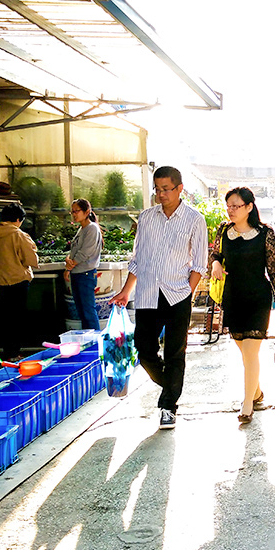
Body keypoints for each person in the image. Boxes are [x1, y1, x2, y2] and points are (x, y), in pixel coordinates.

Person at [110, 166, 208, 430]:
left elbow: (200, 263)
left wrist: (187, 290)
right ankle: (172, 384)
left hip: (177, 295)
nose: (161, 194)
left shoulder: (194, 219)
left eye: (166, 189)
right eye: (158, 189)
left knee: (175, 352)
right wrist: (125, 292)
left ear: (179, 189)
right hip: (147, 295)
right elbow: (138, 260)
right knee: (144, 351)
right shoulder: (146, 218)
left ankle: (168, 406)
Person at [209, 187, 275, 423]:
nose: (231, 210)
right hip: (232, 297)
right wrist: (215, 264)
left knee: (251, 352)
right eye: (229, 206)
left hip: (257, 298)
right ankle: (257, 391)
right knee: (245, 353)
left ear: (249, 207)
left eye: (236, 206)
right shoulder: (224, 230)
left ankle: (247, 403)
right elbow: (216, 254)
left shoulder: (265, 233)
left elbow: (272, 267)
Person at [0, 203, 39, 361]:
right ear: (17, 219)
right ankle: (15, 353)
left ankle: (7, 351)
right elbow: (32, 259)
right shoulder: (19, 235)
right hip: (18, 281)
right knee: (17, 318)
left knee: (5, 318)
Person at [64, 198, 103, 331]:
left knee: (88, 312)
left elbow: (84, 253)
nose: (74, 214)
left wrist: (70, 265)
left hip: (85, 275)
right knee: (82, 312)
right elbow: (74, 251)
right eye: (72, 212)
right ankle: (88, 343)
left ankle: (95, 346)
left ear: (87, 212)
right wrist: (68, 260)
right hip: (77, 274)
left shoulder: (91, 229)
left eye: (77, 211)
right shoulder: (82, 229)